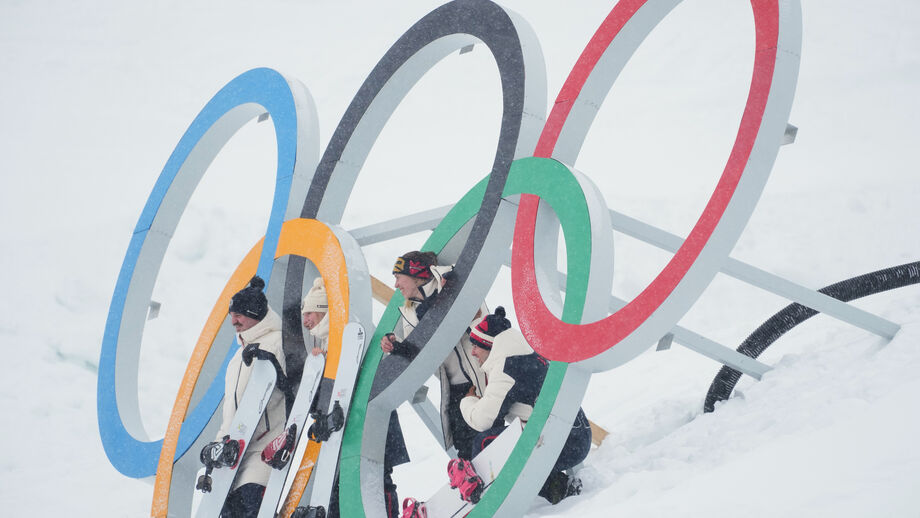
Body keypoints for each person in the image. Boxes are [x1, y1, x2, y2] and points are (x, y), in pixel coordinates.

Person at [459, 307, 592, 505]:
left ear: (490, 346)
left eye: (476, 346)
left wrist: (468, 400)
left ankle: (489, 504)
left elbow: (482, 421)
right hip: (574, 435)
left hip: (563, 444)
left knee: (486, 441)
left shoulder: (506, 367)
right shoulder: (527, 354)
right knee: (514, 436)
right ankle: (559, 488)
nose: (473, 352)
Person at [300, 276, 407, 518]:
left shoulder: (352, 336)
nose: (305, 320)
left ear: (322, 312)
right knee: (355, 486)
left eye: (310, 313)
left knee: (374, 482)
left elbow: (359, 380)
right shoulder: (334, 342)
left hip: (367, 422)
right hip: (352, 426)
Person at [380, 251, 487, 461]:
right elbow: (420, 356)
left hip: (484, 376)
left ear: (415, 273)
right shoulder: (411, 313)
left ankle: (549, 484)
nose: (395, 285)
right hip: (456, 390)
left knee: (498, 437)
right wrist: (397, 347)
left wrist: (431, 308)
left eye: (398, 277)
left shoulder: (452, 280)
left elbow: (469, 320)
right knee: (466, 450)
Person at [209, 275, 288, 517]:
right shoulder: (237, 358)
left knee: (251, 507)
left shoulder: (278, 342)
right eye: (232, 315)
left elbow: (293, 384)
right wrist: (216, 455)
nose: (233, 321)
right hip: (235, 453)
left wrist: (271, 362)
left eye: (240, 314)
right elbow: (230, 415)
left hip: (265, 448)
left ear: (255, 313)